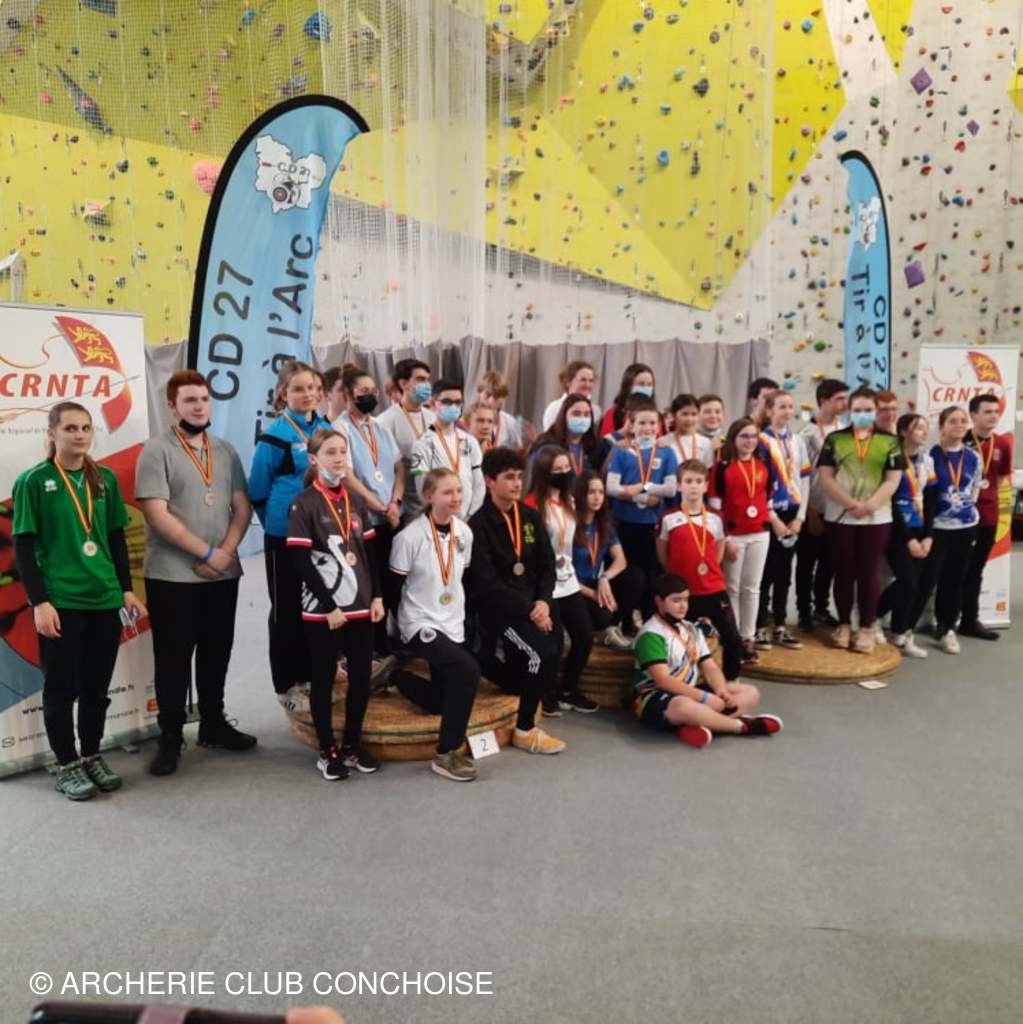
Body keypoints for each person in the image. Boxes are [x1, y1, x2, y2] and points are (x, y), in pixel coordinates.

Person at [13, 401, 147, 800]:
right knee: (60, 689)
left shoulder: (104, 479)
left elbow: (116, 538)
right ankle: (66, 763)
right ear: (52, 433)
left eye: (86, 427)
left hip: (104, 598)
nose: (80, 435)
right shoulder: (33, 481)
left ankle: (90, 755)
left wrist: (126, 589)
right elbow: (23, 547)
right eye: (70, 428)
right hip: (62, 601)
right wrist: (40, 602)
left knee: (96, 688)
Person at [136, 369, 256, 777]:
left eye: (204, 399)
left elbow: (242, 507)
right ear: (173, 406)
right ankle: (170, 737)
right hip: (173, 576)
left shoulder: (225, 450)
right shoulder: (156, 451)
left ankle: (213, 724)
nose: (199, 406)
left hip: (222, 574)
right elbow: (157, 515)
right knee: (173, 659)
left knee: (216, 652)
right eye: (190, 400)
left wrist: (225, 553)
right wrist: (207, 552)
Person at [287, 428, 384, 779]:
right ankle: (327, 751)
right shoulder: (303, 503)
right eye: (330, 452)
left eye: (343, 451)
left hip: (360, 604)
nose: (339, 458)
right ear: (314, 459)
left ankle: (352, 746)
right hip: (323, 609)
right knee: (324, 677)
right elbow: (300, 561)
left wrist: (377, 595)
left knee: (361, 678)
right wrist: (329, 606)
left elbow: (369, 553)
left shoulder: (356, 500)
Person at [467, 447, 567, 751]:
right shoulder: (478, 525)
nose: (516, 483)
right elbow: (487, 584)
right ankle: (525, 730)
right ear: (489, 481)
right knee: (541, 654)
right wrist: (531, 609)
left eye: (520, 477)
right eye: (509, 477)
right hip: (501, 610)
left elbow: (547, 566)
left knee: (553, 649)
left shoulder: (529, 516)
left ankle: (519, 686)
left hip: (535, 603)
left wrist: (543, 602)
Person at [249, 360, 331, 712]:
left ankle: (312, 674)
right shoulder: (275, 436)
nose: (307, 394)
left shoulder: (326, 428)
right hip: (284, 535)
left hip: (322, 532)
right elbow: (257, 490)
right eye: (298, 388)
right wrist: (278, 524)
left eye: (312, 387)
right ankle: (287, 684)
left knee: (317, 604)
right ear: (283, 394)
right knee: (286, 609)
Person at [389, 469, 480, 782]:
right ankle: (446, 753)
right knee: (467, 670)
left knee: (441, 701)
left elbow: (462, 578)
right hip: (419, 622)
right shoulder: (409, 537)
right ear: (429, 496)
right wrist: (394, 633)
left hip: (452, 621)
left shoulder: (464, 533)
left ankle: (396, 677)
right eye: (447, 492)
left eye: (459, 491)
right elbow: (393, 589)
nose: (456, 498)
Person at [631, 574, 782, 749]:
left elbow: (709, 666)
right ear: (659, 601)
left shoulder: (691, 628)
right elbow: (663, 681)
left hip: (688, 690)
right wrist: (704, 698)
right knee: (684, 706)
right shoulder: (651, 634)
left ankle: (698, 723)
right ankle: (740, 726)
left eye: (686, 600)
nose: (683, 606)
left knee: (750, 692)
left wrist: (721, 691)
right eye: (676, 600)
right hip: (653, 696)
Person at [817, 386, 903, 653]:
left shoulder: (890, 441)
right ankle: (843, 625)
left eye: (868, 410)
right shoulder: (835, 439)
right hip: (840, 516)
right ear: (849, 411)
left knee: (868, 572)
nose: (863, 414)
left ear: (876, 411)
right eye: (857, 410)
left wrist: (870, 505)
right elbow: (826, 477)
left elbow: (893, 480)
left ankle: (866, 627)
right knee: (843, 571)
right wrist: (850, 503)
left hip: (876, 517)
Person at [331, 364, 404, 656]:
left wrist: (396, 502)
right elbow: (346, 476)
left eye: (373, 391)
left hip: (390, 516)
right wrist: (379, 506)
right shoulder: (340, 428)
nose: (371, 396)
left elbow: (399, 468)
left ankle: (386, 643)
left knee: (389, 581)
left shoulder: (380, 426)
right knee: (368, 584)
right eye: (364, 391)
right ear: (349, 394)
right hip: (363, 518)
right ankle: (367, 648)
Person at [526, 448, 599, 713]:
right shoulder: (533, 504)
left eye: (567, 468)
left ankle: (568, 688)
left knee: (584, 636)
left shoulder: (569, 500)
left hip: (568, 578)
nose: (564, 473)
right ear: (545, 473)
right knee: (554, 642)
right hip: (545, 582)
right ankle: (546, 693)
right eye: (557, 470)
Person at [657, 460, 744, 682]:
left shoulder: (716, 517)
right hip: (683, 592)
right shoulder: (668, 517)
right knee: (679, 641)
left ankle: (731, 681)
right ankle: (683, 682)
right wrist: (675, 578)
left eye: (698, 481)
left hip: (713, 588)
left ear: (706, 486)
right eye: (688, 481)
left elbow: (719, 552)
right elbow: (662, 553)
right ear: (679, 485)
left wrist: (707, 570)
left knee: (732, 638)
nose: (693, 486)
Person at [905, 406, 982, 655]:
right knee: (926, 580)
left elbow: (974, 491)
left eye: (963, 421)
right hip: (936, 528)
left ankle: (947, 628)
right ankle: (906, 629)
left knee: (955, 580)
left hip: (966, 527)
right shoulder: (929, 456)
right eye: (953, 421)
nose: (959, 425)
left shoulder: (974, 457)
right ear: (942, 427)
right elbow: (923, 494)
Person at [708, 418, 778, 663]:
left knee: (752, 587)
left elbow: (768, 500)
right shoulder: (721, 468)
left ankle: (748, 637)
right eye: (744, 436)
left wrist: (776, 522)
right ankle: (733, 637)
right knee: (732, 588)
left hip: (760, 534)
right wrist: (725, 539)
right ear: (733, 438)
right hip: (733, 536)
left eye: (753, 436)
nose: (749, 441)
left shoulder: (764, 465)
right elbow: (715, 508)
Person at [605, 396, 678, 615]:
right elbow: (611, 487)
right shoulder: (621, 451)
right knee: (628, 574)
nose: (647, 427)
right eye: (642, 422)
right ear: (632, 425)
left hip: (652, 524)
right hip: (624, 522)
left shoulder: (666, 452)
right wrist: (641, 497)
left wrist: (643, 488)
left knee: (651, 573)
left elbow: (671, 489)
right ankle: (624, 618)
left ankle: (648, 618)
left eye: (652, 423)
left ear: (659, 425)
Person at [876, 414, 937, 658]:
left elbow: (931, 499)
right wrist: (909, 539)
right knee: (907, 581)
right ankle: (873, 617)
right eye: (918, 428)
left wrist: (928, 536)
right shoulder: (891, 458)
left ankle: (900, 633)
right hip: (896, 529)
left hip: (920, 527)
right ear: (903, 432)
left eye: (925, 428)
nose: (924, 432)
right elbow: (889, 501)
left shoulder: (926, 460)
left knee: (915, 586)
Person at [754, 390, 810, 650]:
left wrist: (800, 517)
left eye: (790, 406)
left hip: (792, 515)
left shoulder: (798, 441)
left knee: (784, 572)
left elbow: (805, 479)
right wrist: (773, 518)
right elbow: (758, 484)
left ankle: (780, 624)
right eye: (781, 407)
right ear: (769, 410)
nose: (787, 411)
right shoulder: (761, 441)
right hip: (769, 514)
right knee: (765, 572)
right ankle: (759, 626)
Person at [796, 378, 848, 631]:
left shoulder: (846, 430)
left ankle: (821, 608)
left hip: (837, 511)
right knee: (806, 565)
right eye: (839, 399)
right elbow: (800, 477)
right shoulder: (807, 434)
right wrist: (809, 511)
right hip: (814, 508)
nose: (844, 404)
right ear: (824, 401)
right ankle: (804, 612)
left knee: (830, 564)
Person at [961, 393, 1011, 640]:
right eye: (988, 411)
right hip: (960, 516)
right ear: (974, 415)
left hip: (988, 515)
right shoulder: (962, 440)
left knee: (976, 570)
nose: (993, 416)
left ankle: (969, 621)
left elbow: (999, 479)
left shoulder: (1002, 444)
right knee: (954, 569)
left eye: (996, 412)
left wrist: (986, 494)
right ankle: (945, 620)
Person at [411, 379, 485, 519]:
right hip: (439, 517)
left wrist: (470, 515)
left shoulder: (470, 441)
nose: (453, 406)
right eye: (447, 402)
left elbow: (479, 484)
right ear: (433, 404)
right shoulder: (422, 443)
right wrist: (441, 517)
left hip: (468, 518)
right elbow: (423, 488)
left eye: (458, 402)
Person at [377, 358, 435, 520]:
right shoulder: (385, 421)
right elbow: (387, 468)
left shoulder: (433, 417)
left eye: (427, 380)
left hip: (435, 501)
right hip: (406, 507)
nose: (426, 385)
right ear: (403, 384)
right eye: (420, 379)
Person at [529, 393, 598, 476]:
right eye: (576, 414)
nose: (582, 418)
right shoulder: (546, 446)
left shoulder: (591, 447)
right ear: (564, 415)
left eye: (587, 414)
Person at [599, 362, 657, 437]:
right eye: (641, 384)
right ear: (628, 386)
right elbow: (605, 441)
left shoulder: (656, 414)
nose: (646, 388)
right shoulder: (613, 414)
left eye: (649, 384)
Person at [662, 393, 714, 473]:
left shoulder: (705, 443)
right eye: (685, 414)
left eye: (694, 414)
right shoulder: (663, 442)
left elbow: (708, 471)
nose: (689, 419)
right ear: (674, 416)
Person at [541, 360, 600, 431]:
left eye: (591, 381)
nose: (588, 385)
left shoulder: (595, 410)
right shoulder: (555, 408)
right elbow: (550, 435)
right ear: (568, 382)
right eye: (583, 380)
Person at [477, 370, 526, 450]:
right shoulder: (467, 421)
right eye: (487, 395)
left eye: (496, 397)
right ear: (479, 393)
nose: (491, 401)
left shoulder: (510, 423)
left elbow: (519, 452)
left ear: (503, 399)